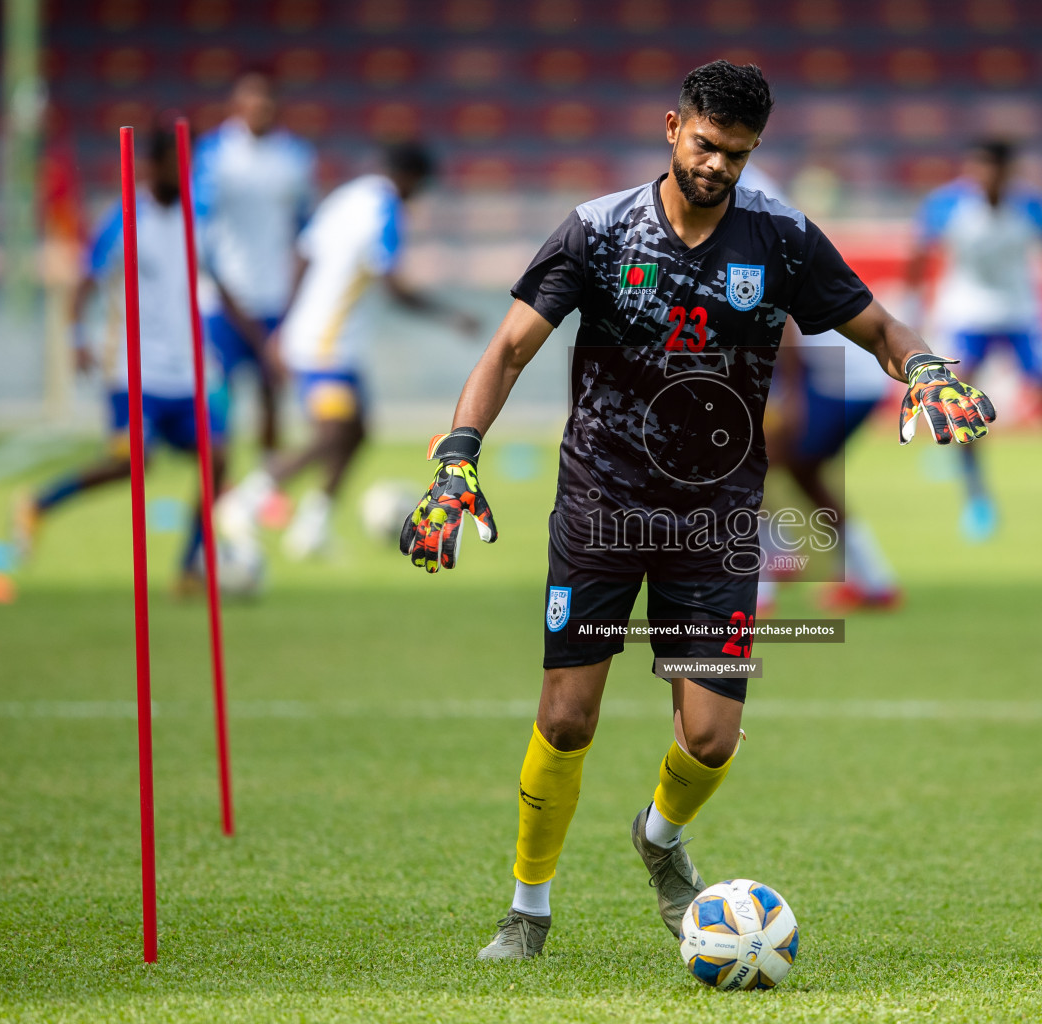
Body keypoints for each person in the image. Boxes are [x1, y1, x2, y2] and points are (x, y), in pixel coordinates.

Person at [397, 61, 994, 960]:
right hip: (601, 503)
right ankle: (529, 908)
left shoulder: (782, 239)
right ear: (673, 127)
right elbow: (510, 348)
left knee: (710, 739)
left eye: (737, 154)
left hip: (716, 516)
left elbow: (876, 325)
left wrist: (924, 368)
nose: (716, 166)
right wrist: (455, 458)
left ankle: (660, 836)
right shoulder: (597, 231)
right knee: (567, 718)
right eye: (705, 145)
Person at [216, 141, 476, 560]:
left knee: (356, 433)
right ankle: (244, 502)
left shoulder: (347, 197)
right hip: (326, 343)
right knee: (333, 433)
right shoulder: (386, 207)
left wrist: (285, 322)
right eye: (419, 187)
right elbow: (393, 287)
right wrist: (449, 316)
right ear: (408, 178)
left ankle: (312, 526)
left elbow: (303, 253)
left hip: (325, 335)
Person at [14, 128, 225, 592]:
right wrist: (75, 338)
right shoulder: (125, 220)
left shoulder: (197, 218)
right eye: (174, 163)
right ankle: (38, 504)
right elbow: (86, 281)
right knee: (131, 461)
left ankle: (190, 568)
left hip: (186, 371)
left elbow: (217, 280)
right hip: (132, 369)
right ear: (151, 166)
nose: (183, 172)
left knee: (219, 460)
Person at [906, 138, 1042, 542]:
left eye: (993, 169)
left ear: (1009, 172)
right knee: (958, 406)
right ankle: (977, 501)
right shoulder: (946, 205)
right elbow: (919, 257)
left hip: (1021, 314)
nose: (985, 177)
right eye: (979, 168)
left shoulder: (1033, 207)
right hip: (966, 315)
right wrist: (912, 309)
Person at [739, 164, 900, 615]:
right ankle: (874, 582)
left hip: (835, 379)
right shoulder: (770, 216)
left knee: (749, 464)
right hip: (854, 376)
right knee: (800, 473)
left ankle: (763, 583)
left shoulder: (749, 222)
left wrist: (790, 396)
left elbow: (783, 317)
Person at [193, 67, 316, 457]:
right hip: (221, 297)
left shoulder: (294, 156)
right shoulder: (213, 154)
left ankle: (265, 484)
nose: (259, 107)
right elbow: (198, 225)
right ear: (237, 103)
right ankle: (221, 484)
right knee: (221, 397)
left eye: (266, 99)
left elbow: (304, 228)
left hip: (274, 296)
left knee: (271, 395)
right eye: (251, 98)